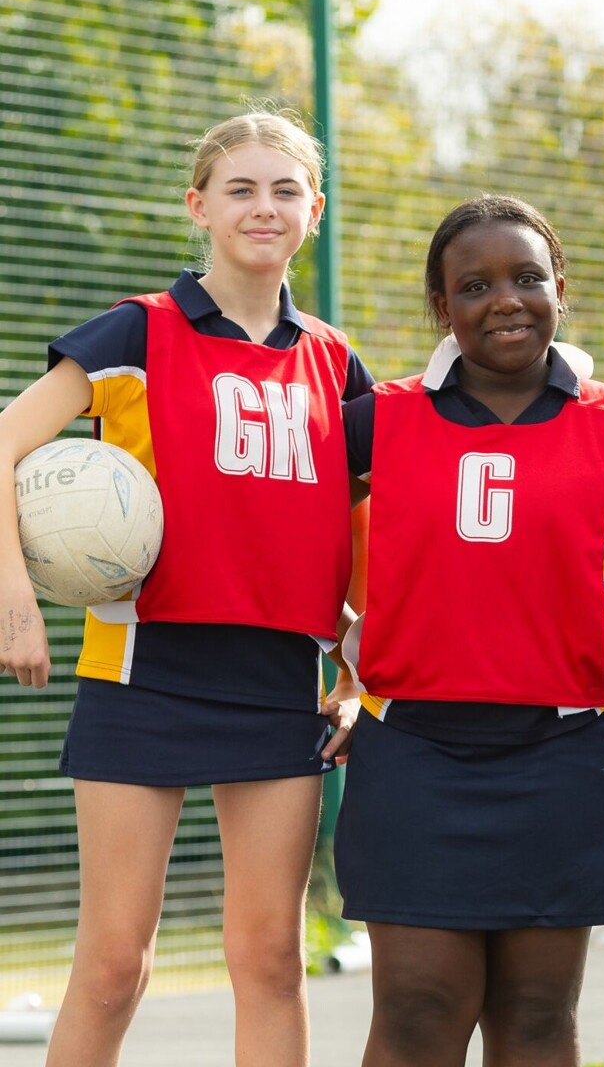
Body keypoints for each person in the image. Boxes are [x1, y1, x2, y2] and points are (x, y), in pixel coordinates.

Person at [0, 110, 369, 1066]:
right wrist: (16, 599)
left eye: (285, 190)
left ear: (315, 211)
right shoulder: (136, 332)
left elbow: (365, 527)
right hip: (144, 672)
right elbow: (2, 444)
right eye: (240, 189)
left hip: (280, 681)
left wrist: (358, 670)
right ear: (199, 206)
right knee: (114, 965)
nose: (263, 207)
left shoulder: (335, 363)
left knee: (272, 960)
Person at [335, 195, 604, 1067]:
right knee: (417, 1012)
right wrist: (348, 659)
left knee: (537, 1019)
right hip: (412, 756)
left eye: (527, 278)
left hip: (563, 760)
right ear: (442, 307)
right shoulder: (377, 420)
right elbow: (285, 543)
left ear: (559, 290)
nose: (505, 300)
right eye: (475, 285)